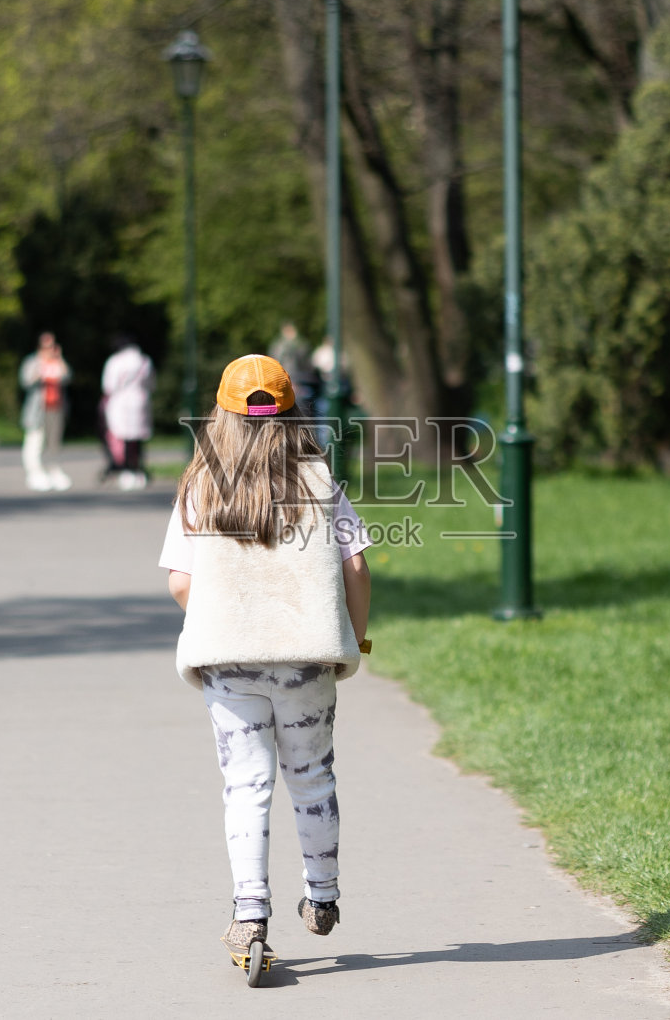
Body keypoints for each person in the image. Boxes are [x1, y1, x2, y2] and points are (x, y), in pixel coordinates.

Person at [158, 353, 373, 961]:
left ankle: (250, 915)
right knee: (312, 778)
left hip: (229, 661)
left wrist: (224, 610)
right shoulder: (320, 483)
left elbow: (180, 582)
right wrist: (354, 640)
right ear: (293, 415)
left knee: (246, 784)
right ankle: (323, 896)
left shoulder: (201, 487)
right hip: (306, 659)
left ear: (219, 418)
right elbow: (355, 567)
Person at [18, 332, 73, 492]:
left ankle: (54, 470)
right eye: (46, 346)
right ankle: (34, 471)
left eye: (52, 345)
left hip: (55, 407)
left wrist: (59, 358)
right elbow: (25, 381)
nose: (49, 349)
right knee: (35, 439)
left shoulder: (57, 362)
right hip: (37, 409)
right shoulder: (32, 361)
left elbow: (68, 376)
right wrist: (39, 371)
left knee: (54, 441)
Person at [100, 335, 155, 490]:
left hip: (121, 401)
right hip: (140, 399)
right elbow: (151, 383)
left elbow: (108, 385)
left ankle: (126, 470)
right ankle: (138, 470)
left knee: (123, 436)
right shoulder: (145, 361)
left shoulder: (115, 361)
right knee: (137, 437)